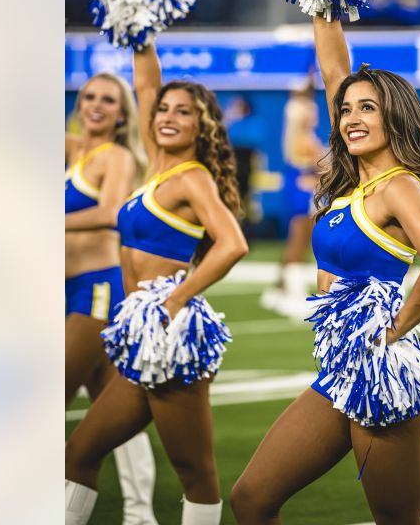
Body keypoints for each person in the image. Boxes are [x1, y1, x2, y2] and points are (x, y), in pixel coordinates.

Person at [230, 15, 420, 524]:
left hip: (379, 372)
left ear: (393, 118)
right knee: (251, 500)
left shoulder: (399, 186)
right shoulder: (351, 179)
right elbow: (334, 69)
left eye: (367, 109)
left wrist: (395, 331)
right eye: (346, 110)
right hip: (338, 372)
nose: (351, 117)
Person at [65, 38, 249, 525]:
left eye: (182, 112)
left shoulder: (193, 178)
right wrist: (138, 30)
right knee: (78, 453)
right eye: (163, 109)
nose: (167, 116)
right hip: (138, 336)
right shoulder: (155, 166)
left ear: (200, 124)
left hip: (169, 336)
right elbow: (145, 83)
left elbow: (233, 244)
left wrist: (175, 301)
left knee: (195, 472)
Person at [64, 72, 158, 525]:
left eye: (108, 99)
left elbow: (111, 211)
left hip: (96, 291)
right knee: (111, 410)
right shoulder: (71, 148)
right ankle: (141, 514)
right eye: (88, 97)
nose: (96, 105)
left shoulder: (116, 156)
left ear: (123, 113)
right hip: (62, 292)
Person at [261, 75, 323, 320]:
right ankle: (293, 294)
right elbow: (316, 163)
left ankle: (280, 288)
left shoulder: (304, 135)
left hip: (300, 185)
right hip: (301, 188)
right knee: (298, 239)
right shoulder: (301, 135)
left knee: (299, 241)